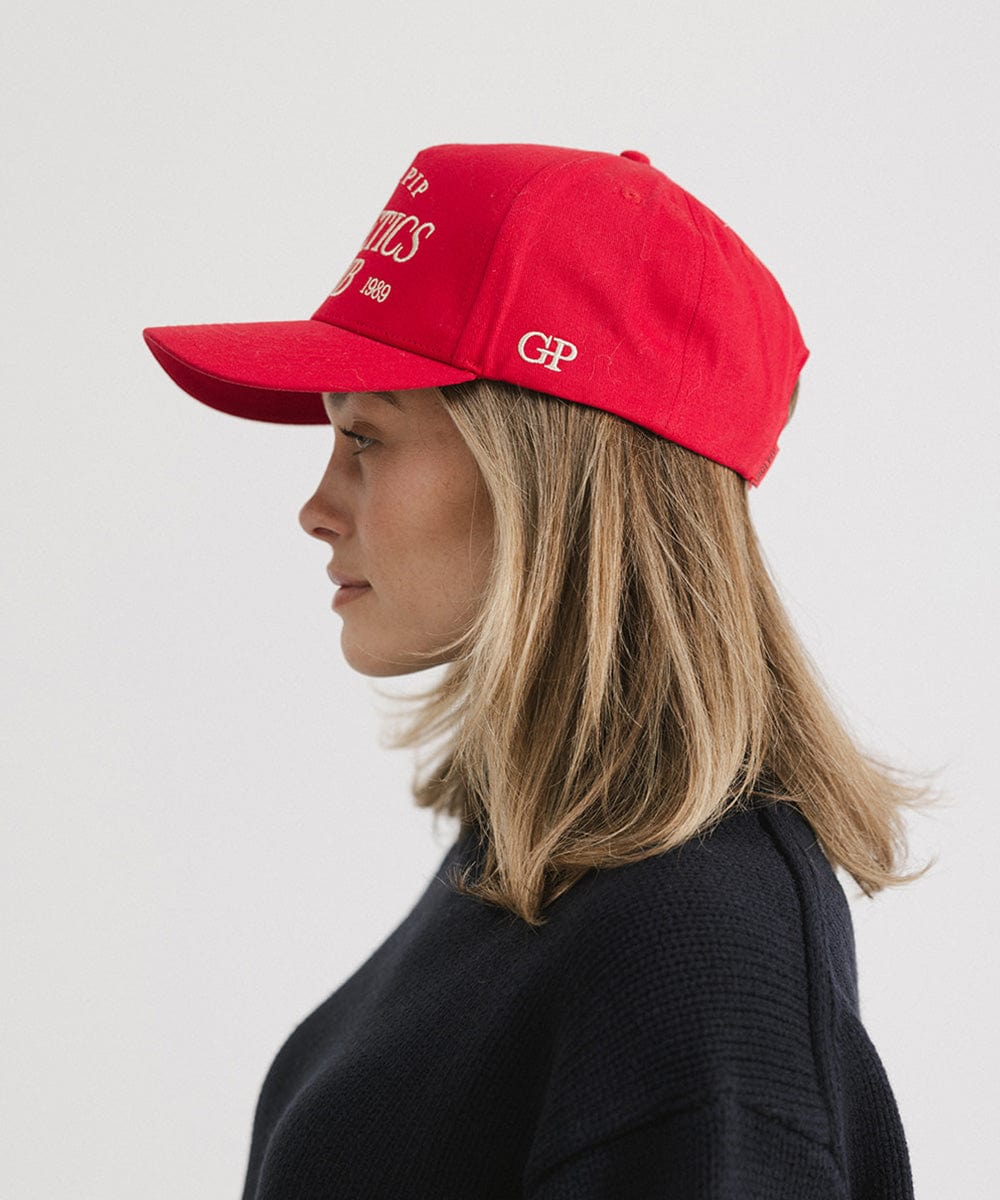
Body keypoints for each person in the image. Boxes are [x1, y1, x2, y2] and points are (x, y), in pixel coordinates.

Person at [142, 142, 938, 1199]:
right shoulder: (547, 851)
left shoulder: (694, 956)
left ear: (547, 479)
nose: (315, 507)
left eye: (365, 437)